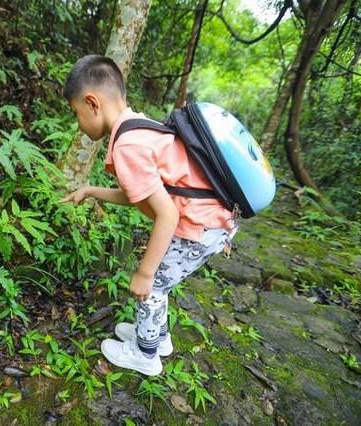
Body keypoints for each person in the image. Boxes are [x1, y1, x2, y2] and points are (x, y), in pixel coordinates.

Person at [60, 54, 237, 376]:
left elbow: (166, 214)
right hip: (209, 222)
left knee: (152, 285)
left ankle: (145, 354)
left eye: (76, 114)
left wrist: (144, 272)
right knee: (160, 283)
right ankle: (158, 338)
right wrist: (90, 190)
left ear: (92, 102)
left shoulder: (128, 145)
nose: (78, 123)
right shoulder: (139, 127)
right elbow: (145, 196)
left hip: (200, 226)